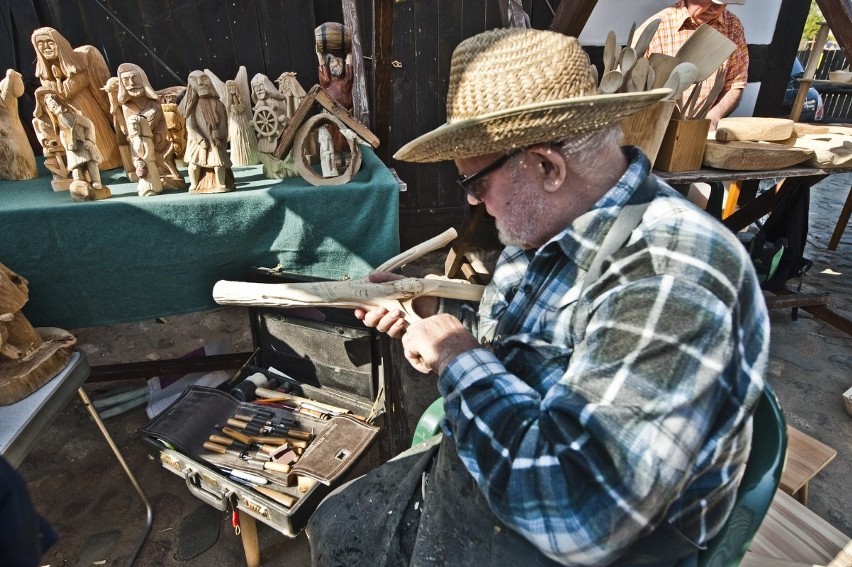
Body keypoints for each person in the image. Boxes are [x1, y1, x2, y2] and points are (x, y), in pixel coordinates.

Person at [306, 28, 768, 566]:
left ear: (547, 166)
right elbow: (527, 341)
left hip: (598, 540)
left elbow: (581, 512)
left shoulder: (668, 273)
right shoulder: (548, 225)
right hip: (508, 472)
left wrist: (458, 355)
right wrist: (429, 316)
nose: (475, 203)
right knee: (337, 520)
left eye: (475, 183)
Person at [643, 0, 748, 130]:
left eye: (723, 4)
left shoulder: (733, 26)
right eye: (711, 2)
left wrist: (713, 117)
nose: (715, 9)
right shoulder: (657, 28)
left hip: (703, 130)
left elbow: (735, 83)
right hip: (657, 127)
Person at [31, 27, 122, 170]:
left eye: (49, 42)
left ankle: (108, 160)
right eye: (40, 44)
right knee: (77, 144)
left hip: (87, 109)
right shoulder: (45, 71)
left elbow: (67, 92)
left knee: (98, 140)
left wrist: (56, 81)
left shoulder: (80, 61)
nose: (46, 47)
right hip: (67, 115)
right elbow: (55, 93)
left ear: (59, 44)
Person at [179, 70, 232, 192]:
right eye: (195, 80)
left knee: (218, 163)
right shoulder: (192, 106)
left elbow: (224, 123)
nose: (200, 83)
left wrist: (220, 135)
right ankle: (194, 184)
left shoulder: (218, 104)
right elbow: (191, 125)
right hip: (197, 141)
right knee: (193, 164)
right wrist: (200, 139)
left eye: (204, 79)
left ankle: (221, 184)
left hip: (215, 140)